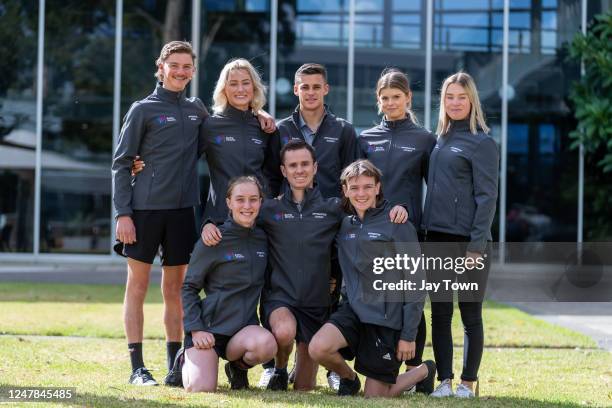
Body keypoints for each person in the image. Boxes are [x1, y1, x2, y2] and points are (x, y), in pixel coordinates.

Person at [113, 42, 274, 387]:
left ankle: (174, 364)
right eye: (175, 65)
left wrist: (258, 114)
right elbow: (122, 162)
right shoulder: (142, 109)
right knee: (137, 287)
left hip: (184, 212)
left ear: (194, 71)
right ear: (161, 67)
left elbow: (231, 121)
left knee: (174, 289)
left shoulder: (197, 111)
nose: (181, 71)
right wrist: (122, 213)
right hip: (143, 211)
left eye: (187, 66)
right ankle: (137, 367)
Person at [201, 140, 407, 392]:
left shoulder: (333, 209)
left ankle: (341, 377)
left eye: (305, 164)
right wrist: (209, 223)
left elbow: (365, 206)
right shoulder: (269, 209)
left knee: (304, 388)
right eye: (293, 165)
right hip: (280, 298)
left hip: (317, 303)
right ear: (284, 170)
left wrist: (398, 207)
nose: (299, 170)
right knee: (285, 331)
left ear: (315, 167)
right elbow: (238, 214)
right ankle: (278, 368)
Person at [261, 62, 359, 390]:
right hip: (291, 221)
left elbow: (352, 179)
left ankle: (333, 366)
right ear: (296, 90)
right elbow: (272, 176)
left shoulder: (343, 130)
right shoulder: (280, 129)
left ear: (326, 89)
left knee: (330, 288)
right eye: (305, 86)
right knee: (287, 286)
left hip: (329, 222)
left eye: (317, 86)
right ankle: (275, 366)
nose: (311, 92)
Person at [308, 159, 436, 397]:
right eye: (354, 187)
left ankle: (422, 371)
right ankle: (348, 378)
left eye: (368, 186)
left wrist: (409, 336)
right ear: (345, 190)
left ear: (378, 187)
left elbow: (416, 282)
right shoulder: (345, 225)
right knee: (318, 348)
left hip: (386, 319)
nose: (361, 193)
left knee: (376, 397)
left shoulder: (397, 223)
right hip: (354, 311)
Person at [358, 68, 437, 393]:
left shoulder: (424, 139)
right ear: (378, 100)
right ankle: (384, 358)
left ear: (408, 99)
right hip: (373, 234)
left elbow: (435, 189)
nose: (390, 103)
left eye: (396, 97)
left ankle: (414, 365)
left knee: (409, 295)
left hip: (409, 232)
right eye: (385, 98)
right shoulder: (366, 138)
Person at [421, 72, 499, 398]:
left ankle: (468, 382)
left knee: (470, 314)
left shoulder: (482, 142)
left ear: (472, 101)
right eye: (449, 97)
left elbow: (487, 197)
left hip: (468, 242)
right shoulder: (439, 140)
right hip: (436, 238)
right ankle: (444, 381)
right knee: (440, 313)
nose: (455, 102)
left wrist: (476, 246)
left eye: (461, 97)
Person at [181, 176, 277, 392]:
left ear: (261, 202)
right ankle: (184, 358)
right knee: (201, 388)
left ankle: (237, 367)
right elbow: (189, 288)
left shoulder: (263, 238)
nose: (247, 205)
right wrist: (196, 330)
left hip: (242, 332)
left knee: (267, 345)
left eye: (253, 199)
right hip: (209, 331)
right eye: (240, 199)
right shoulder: (213, 239)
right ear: (228, 203)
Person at [199, 58, 282, 225]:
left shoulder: (266, 128)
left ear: (254, 87)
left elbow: (275, 175)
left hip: (258, 220)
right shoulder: (210, 126)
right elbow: (183, 162)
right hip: (220, 220)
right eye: (233, 84)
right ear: (224, 88)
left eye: (246, 83)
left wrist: (269, 206)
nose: (240, 89)